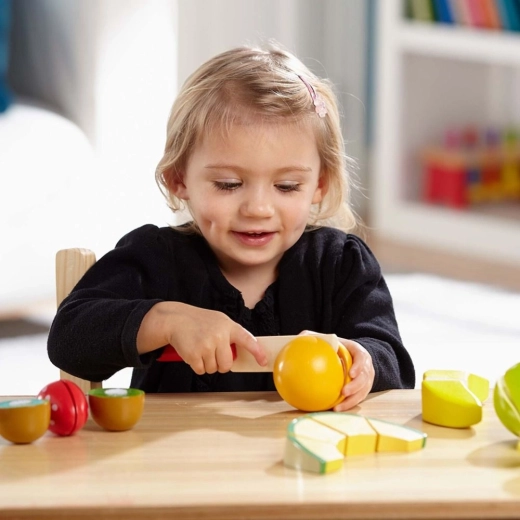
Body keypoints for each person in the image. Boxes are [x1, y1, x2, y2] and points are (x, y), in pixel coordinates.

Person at [48, 44, 415, 411]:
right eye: (228, 184)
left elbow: (394, 365)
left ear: (320, 184)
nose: (258, 209)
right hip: (177, 448)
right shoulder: (154, 258)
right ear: (179, 178)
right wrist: (165, 320)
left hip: (304, 445)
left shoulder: (340, 264)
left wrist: (362, 360)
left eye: (287, 186)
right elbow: (68, 339)